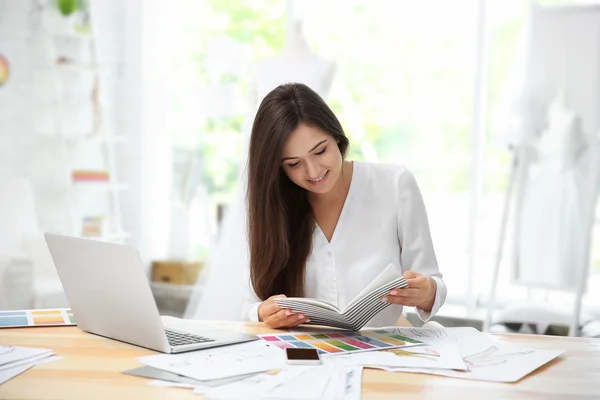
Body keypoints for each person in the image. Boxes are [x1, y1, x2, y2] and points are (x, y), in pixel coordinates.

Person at [242, 82, 446, 328]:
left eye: (320, 151)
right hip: (303, 355)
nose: (313, 171)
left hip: (380, 350)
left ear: (336, 137)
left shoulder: (395, 184)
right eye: (294, 164)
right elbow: (250, 306)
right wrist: (264, 312)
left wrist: (426, 292)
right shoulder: (274, 207)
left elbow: (432, 283)